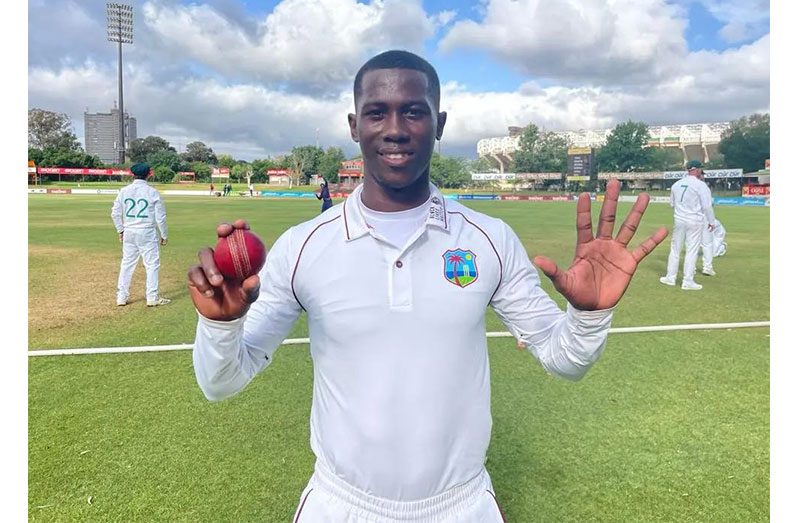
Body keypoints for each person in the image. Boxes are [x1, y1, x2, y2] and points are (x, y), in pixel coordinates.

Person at [187, 50, 668, 521]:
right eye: (377, 113)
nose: (394, 128)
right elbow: (221, 382)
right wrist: (220, 326)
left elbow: (563, 361)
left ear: (438, 123)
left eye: (413, 112)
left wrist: (587, 316)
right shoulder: (303, 247)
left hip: (461, 505)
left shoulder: (488, 240)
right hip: (342, 503)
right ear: (355, 126)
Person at [111, 162, 170, 307]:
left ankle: (121, 297)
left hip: (129, 231)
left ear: (132, 174)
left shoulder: (124, 191)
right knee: (152, 265)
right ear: (149, 174)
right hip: (147, 231)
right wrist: (164, 235)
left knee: (127, 264)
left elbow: (115, 213)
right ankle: (152, 297)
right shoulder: (152, 192)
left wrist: (121, 230)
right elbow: (160, 217)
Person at [659, 159, 716, 290]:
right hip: (694, 220)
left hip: (679, 219)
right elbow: (707, 206)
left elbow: (672, 204)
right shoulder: (701, 186)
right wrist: (712, 222)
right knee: (692, 250)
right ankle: (687, 281)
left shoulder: (676, 184)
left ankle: (670, 277)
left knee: (675, 249)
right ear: (697, 170)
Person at [697, 170, 717, 276]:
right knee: (707, 243)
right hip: (702, 217)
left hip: (689, 217)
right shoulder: (703, 187)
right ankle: (707, 267)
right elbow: (708, 206)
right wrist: (711, 221)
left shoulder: (684, 184)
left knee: (691, 244)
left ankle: (691, 268)